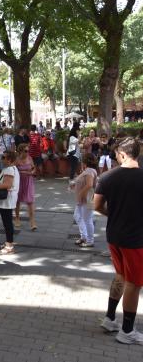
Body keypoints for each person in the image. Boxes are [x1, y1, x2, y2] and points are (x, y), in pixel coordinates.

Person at [94, 137, 143, 344]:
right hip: (135, 238)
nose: (115, 157)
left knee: (121, 276)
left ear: (122, 154)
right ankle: (127, 331)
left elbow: (96, 206)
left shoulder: (106, 177)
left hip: (114, 235)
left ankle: (110, 318)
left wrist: (114, 215)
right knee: (134, 283)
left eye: (115, 154)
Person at [73, 153, 98, 248]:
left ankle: (90, 240)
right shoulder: (87, 170)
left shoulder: (89, 171)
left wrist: (81, 193)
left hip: (87, 199)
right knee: (77, 216)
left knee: (87, 219)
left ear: (85, 161)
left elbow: (89, 184)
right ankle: (84, 236)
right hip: (83, 199)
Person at [15, 143, 38, 231]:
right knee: (17, 200)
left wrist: (32, 172)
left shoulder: (29, 158)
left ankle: (32, 222)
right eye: (25, 151)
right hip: (19, 182)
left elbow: (33, 168)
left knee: (30, 201)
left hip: (29, 182)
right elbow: (14, 171)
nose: (27, 152)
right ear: (20, 151)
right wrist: (25, 173)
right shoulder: (17, 160)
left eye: (28, 150)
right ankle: (17, 218)